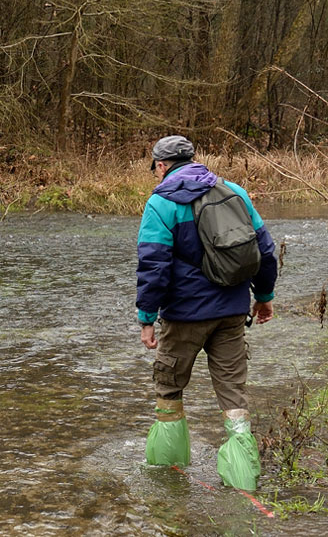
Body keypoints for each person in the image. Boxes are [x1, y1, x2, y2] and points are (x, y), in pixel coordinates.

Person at [134, 135, 279, 491]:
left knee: (168, 386)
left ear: (162, 166)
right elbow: (265, 251)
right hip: (232, 312)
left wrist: (146, 318)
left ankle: (168, 471)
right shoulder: (235, 192)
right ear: (193, 159)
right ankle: (243, 478)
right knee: (232, 391)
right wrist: (263, 296)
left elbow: (153, 266)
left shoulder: (161, 202)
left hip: (183, 317)